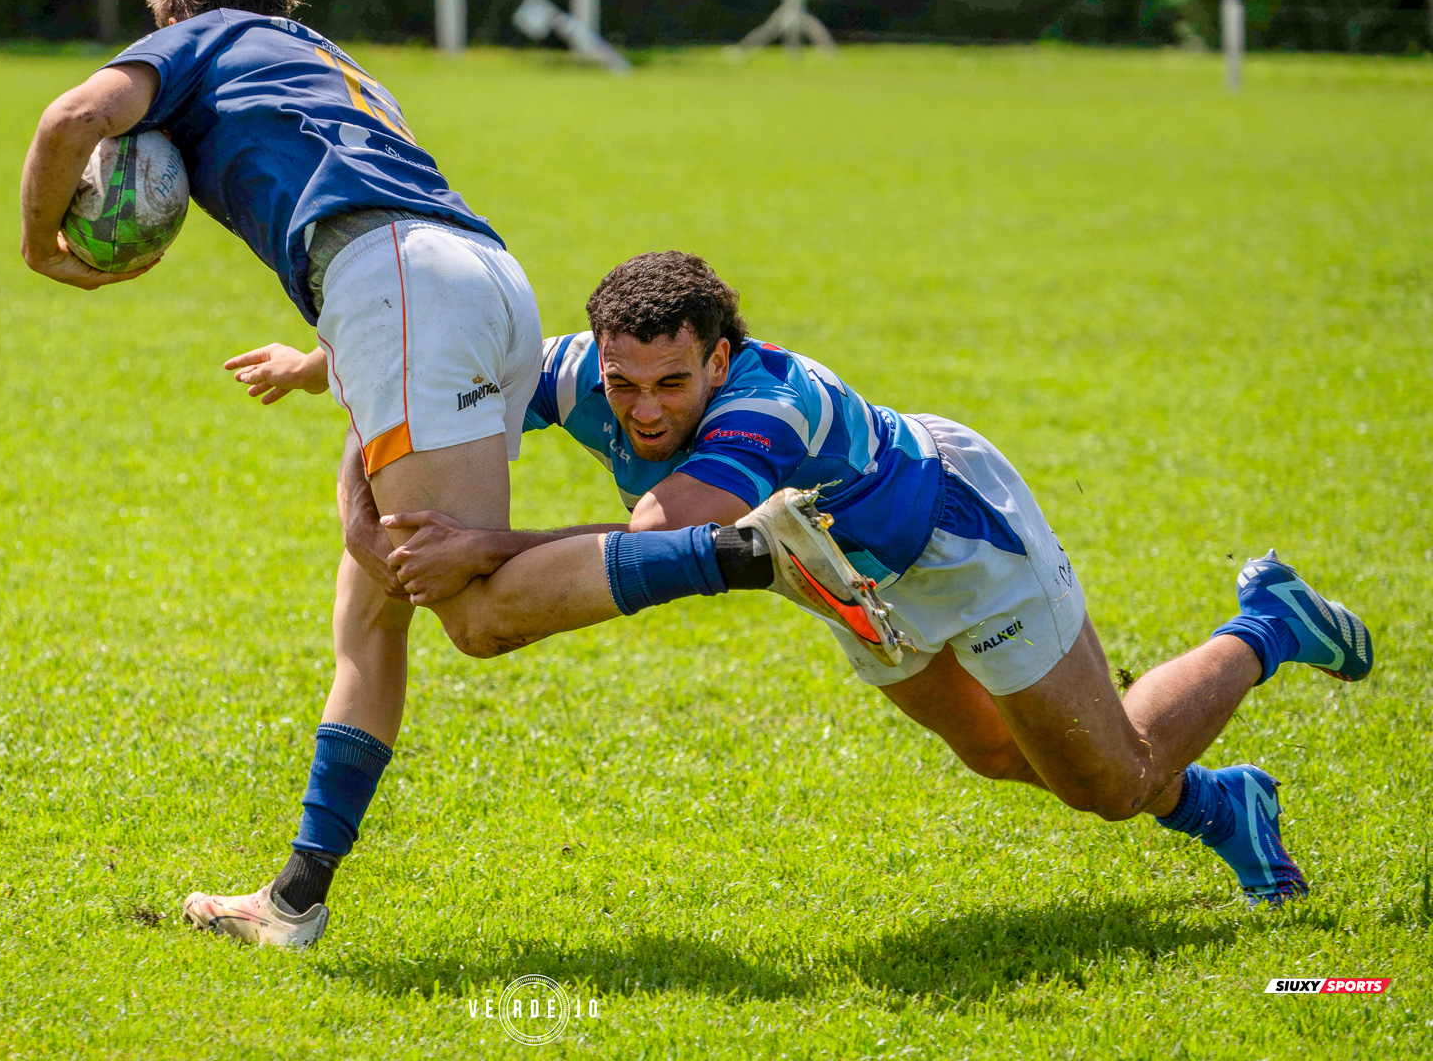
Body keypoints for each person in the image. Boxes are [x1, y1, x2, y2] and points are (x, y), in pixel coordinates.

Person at [19, 0, 844, 952]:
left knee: (473, 614)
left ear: (178, 16)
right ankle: (293, 903)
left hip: (397, 293)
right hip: (473, 280)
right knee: (369, 609)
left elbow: (72, 118)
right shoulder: (330, 63)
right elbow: (376, 219)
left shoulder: (201, 38)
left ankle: (744, 552)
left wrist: (40, 244)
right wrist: (322, 359)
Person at [230, 250, 1375, 932]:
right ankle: (1230, 806)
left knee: (1108, 780)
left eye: (672, 381)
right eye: (624, 381)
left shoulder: (762, 410)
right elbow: (459, 370)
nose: (641, 409)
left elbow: (654, 536)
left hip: (957, 541)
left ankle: (1266, 622)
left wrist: (485, 537)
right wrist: (322, 365)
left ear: (721, 357)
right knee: (990, 752)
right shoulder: (591, 373)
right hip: (838, 577)